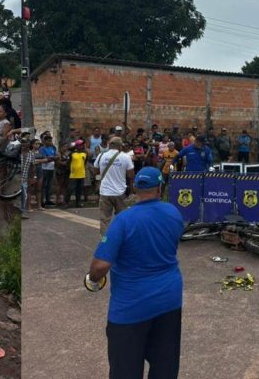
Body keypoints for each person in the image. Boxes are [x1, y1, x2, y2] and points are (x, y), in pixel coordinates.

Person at [87, 167, 184, 379]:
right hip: (169, 300)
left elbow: (100, 266)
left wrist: (92, 279)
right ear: (160, 188)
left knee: (125, 370)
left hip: (130, 307)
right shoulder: (174, 213)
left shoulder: (123, 220)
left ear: (134, 188)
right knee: (165, 366)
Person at [95, 136, 135, 234]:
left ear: (109, 145)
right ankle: (121, 237)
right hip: (120, 192)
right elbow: (131, 175)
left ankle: (105, 239)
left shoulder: (101, 156)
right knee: (122, 218)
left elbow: (96, 171)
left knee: (105, 219)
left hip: (105, 192)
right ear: (120, 146)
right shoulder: (126, 157)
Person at [37, 132, 57, 208]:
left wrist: (51, 158)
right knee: (43, 185)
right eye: (49, 141)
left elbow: (56, 156)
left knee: (49, 185)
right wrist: (52, 158)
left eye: (51, 141)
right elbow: (45, 158)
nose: (50, 142)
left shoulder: (52, 148)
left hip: (51, 168)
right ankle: (42, 201)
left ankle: (48, 200)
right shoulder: (41, 149)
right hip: (44, 169)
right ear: (45, 141)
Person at [66, 140, 88, 208]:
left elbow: (85, 162)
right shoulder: (72, 154)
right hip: (73, 174)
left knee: (79, 190)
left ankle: (78, 203)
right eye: (80, 145)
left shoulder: (85, 153)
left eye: (82, 145)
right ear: (77, 146)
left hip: (81, 174)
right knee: (70, 189)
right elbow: (68, 163)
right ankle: (66, 202)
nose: (81, 146)